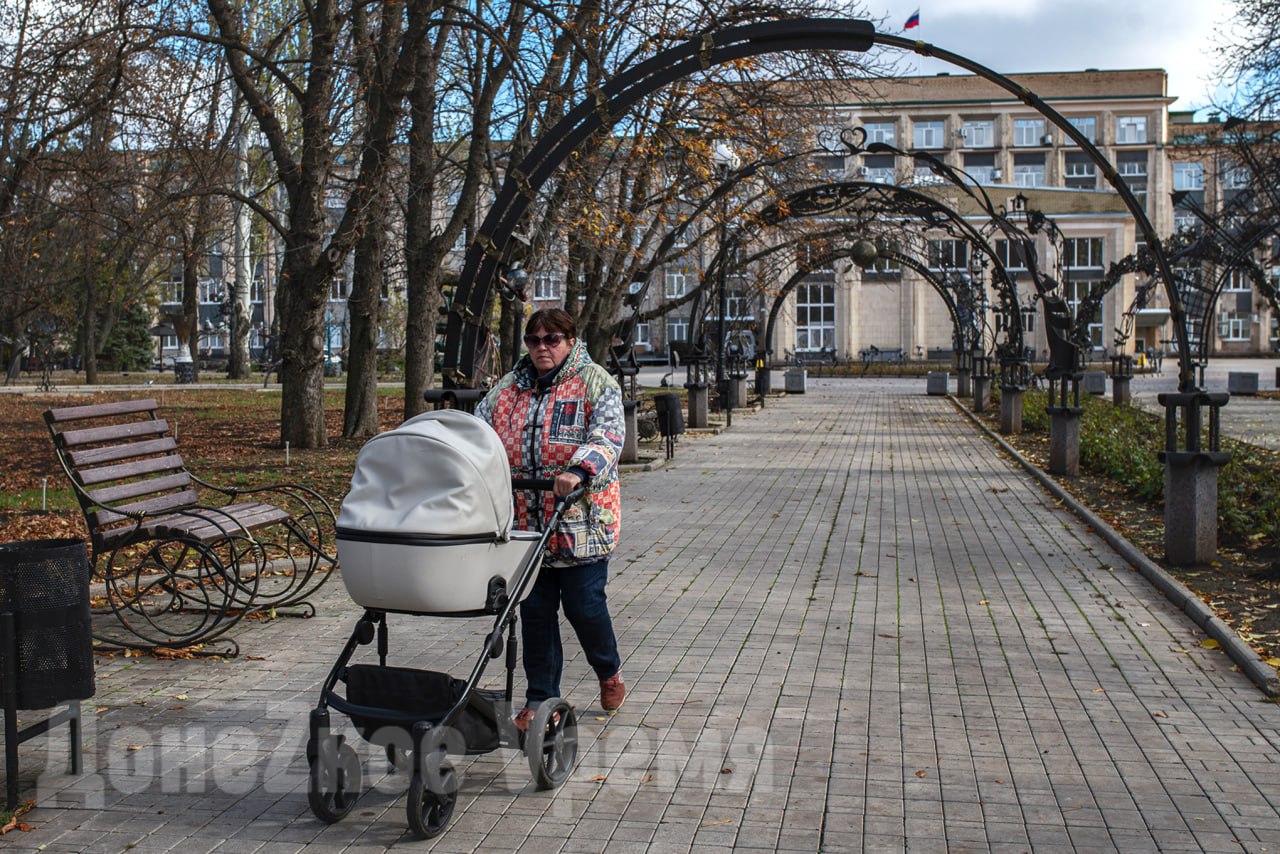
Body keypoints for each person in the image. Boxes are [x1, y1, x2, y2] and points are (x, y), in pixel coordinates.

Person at [475, 308, 626, 730]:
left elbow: (609, 435)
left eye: (551, 339)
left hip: (581, 522)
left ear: (570, 340)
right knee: (535, 613)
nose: (542, 347)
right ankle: (539, 696)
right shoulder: (507, 389)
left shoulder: (595, 382)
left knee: (585, 607)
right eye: (534, 339)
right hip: (527, 525)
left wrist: (579, 469)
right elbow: (478, 432)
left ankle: (609, 671)